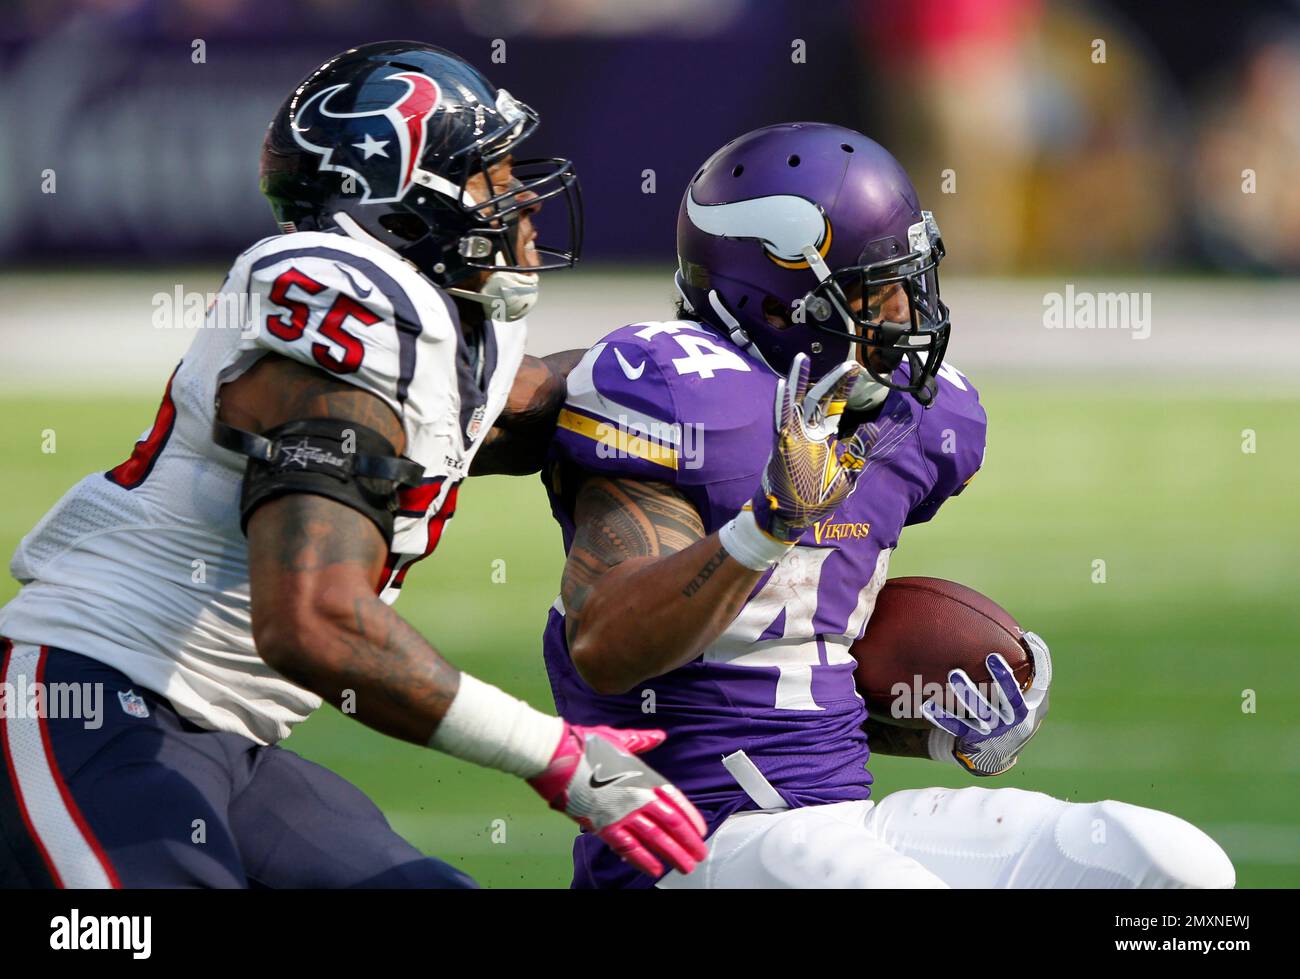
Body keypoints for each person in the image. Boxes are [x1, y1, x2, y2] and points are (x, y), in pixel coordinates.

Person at [0, 41, 705, 889]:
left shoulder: (446, 327)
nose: (521, 199)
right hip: (91, 701)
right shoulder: (347, 309)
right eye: (490, 176)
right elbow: (312, 620)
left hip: (232, 740)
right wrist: (551, 754)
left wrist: (749, 361)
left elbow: (547, 405)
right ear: (405, 206)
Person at [538, 122, 1235, 889]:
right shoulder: (676, 394)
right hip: (690, 843)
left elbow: (813, 663)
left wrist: (942, 721)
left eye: (914, 278)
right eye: (879, 290)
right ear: (779, 305)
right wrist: (767, 525)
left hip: (835, 818)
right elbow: (603, 649)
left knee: (1167, 862)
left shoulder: (913, 423)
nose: (909, 313)